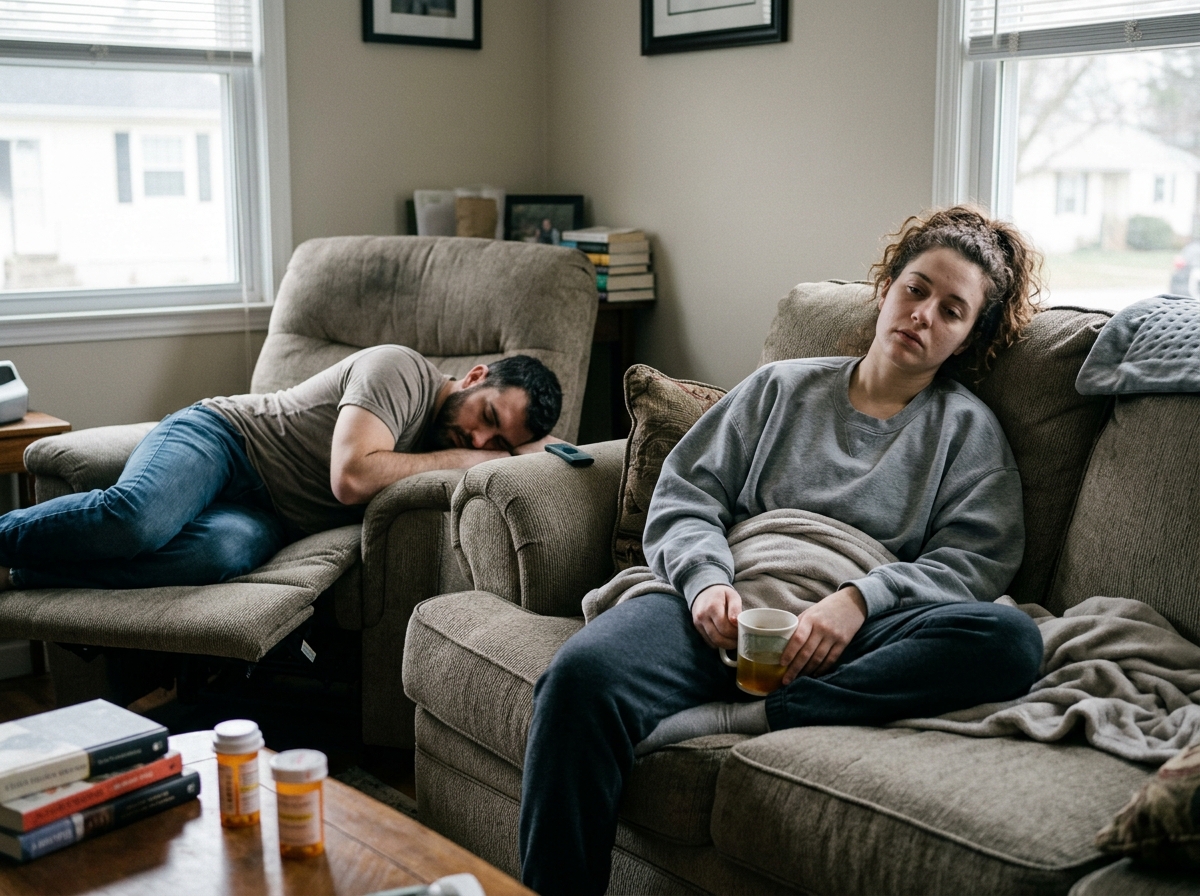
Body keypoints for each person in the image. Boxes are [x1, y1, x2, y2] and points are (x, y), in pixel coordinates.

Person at [517, 206, 1047, 896]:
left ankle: (749, 717)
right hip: (732, 601)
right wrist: (706, 581)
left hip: (857, 634)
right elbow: (687, 495)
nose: (923, 315)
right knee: (578, 678)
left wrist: (858, 601)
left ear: (968, 336)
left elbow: (975, 563)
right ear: (887, 286)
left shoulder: (968, 432)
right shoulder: (780, 387)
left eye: (952, 310)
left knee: (1010, 640)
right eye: (916, 289)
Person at [0, 348, 562, 592]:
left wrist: (525, 451)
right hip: (225, 439)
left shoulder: (480, 440)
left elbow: (560, 451)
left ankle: (22, 576)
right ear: (474, 377)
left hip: (268, 517)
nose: (480, 440)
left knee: (219, 555)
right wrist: (474, 458)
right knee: (138, 521)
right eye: (487, 417)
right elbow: (352, 479)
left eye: (499, 443)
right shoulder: (400, 370)